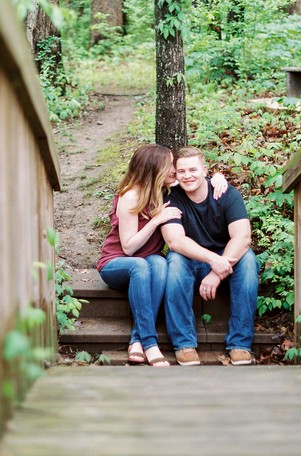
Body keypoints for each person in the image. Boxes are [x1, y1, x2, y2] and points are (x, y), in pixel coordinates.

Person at [97, 144, 228, 367]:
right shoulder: (130, 196)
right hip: (117, 262)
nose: (175, 171)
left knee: (159, 263)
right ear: (155, 168)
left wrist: (217, 177)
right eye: (170, 166)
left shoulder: (165, 189)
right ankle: (149, 342)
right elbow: (129, 248)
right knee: (140, 265)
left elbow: (197, 178)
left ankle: (136, 339)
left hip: (150, 261)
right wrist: (157, 219)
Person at [161, 146, 259, 366]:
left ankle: (240, 344)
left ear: (205, 169)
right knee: (175, 260)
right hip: (192, 261)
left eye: (193, 170)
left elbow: (242, 237)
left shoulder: (226, 193)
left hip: (226, 261)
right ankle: (184, 343)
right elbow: (175, 240)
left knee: (249, 259)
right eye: (182, 171)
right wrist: (212, 260)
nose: (187, 176)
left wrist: (217, 270)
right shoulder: (171, 197)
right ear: (175, 173)